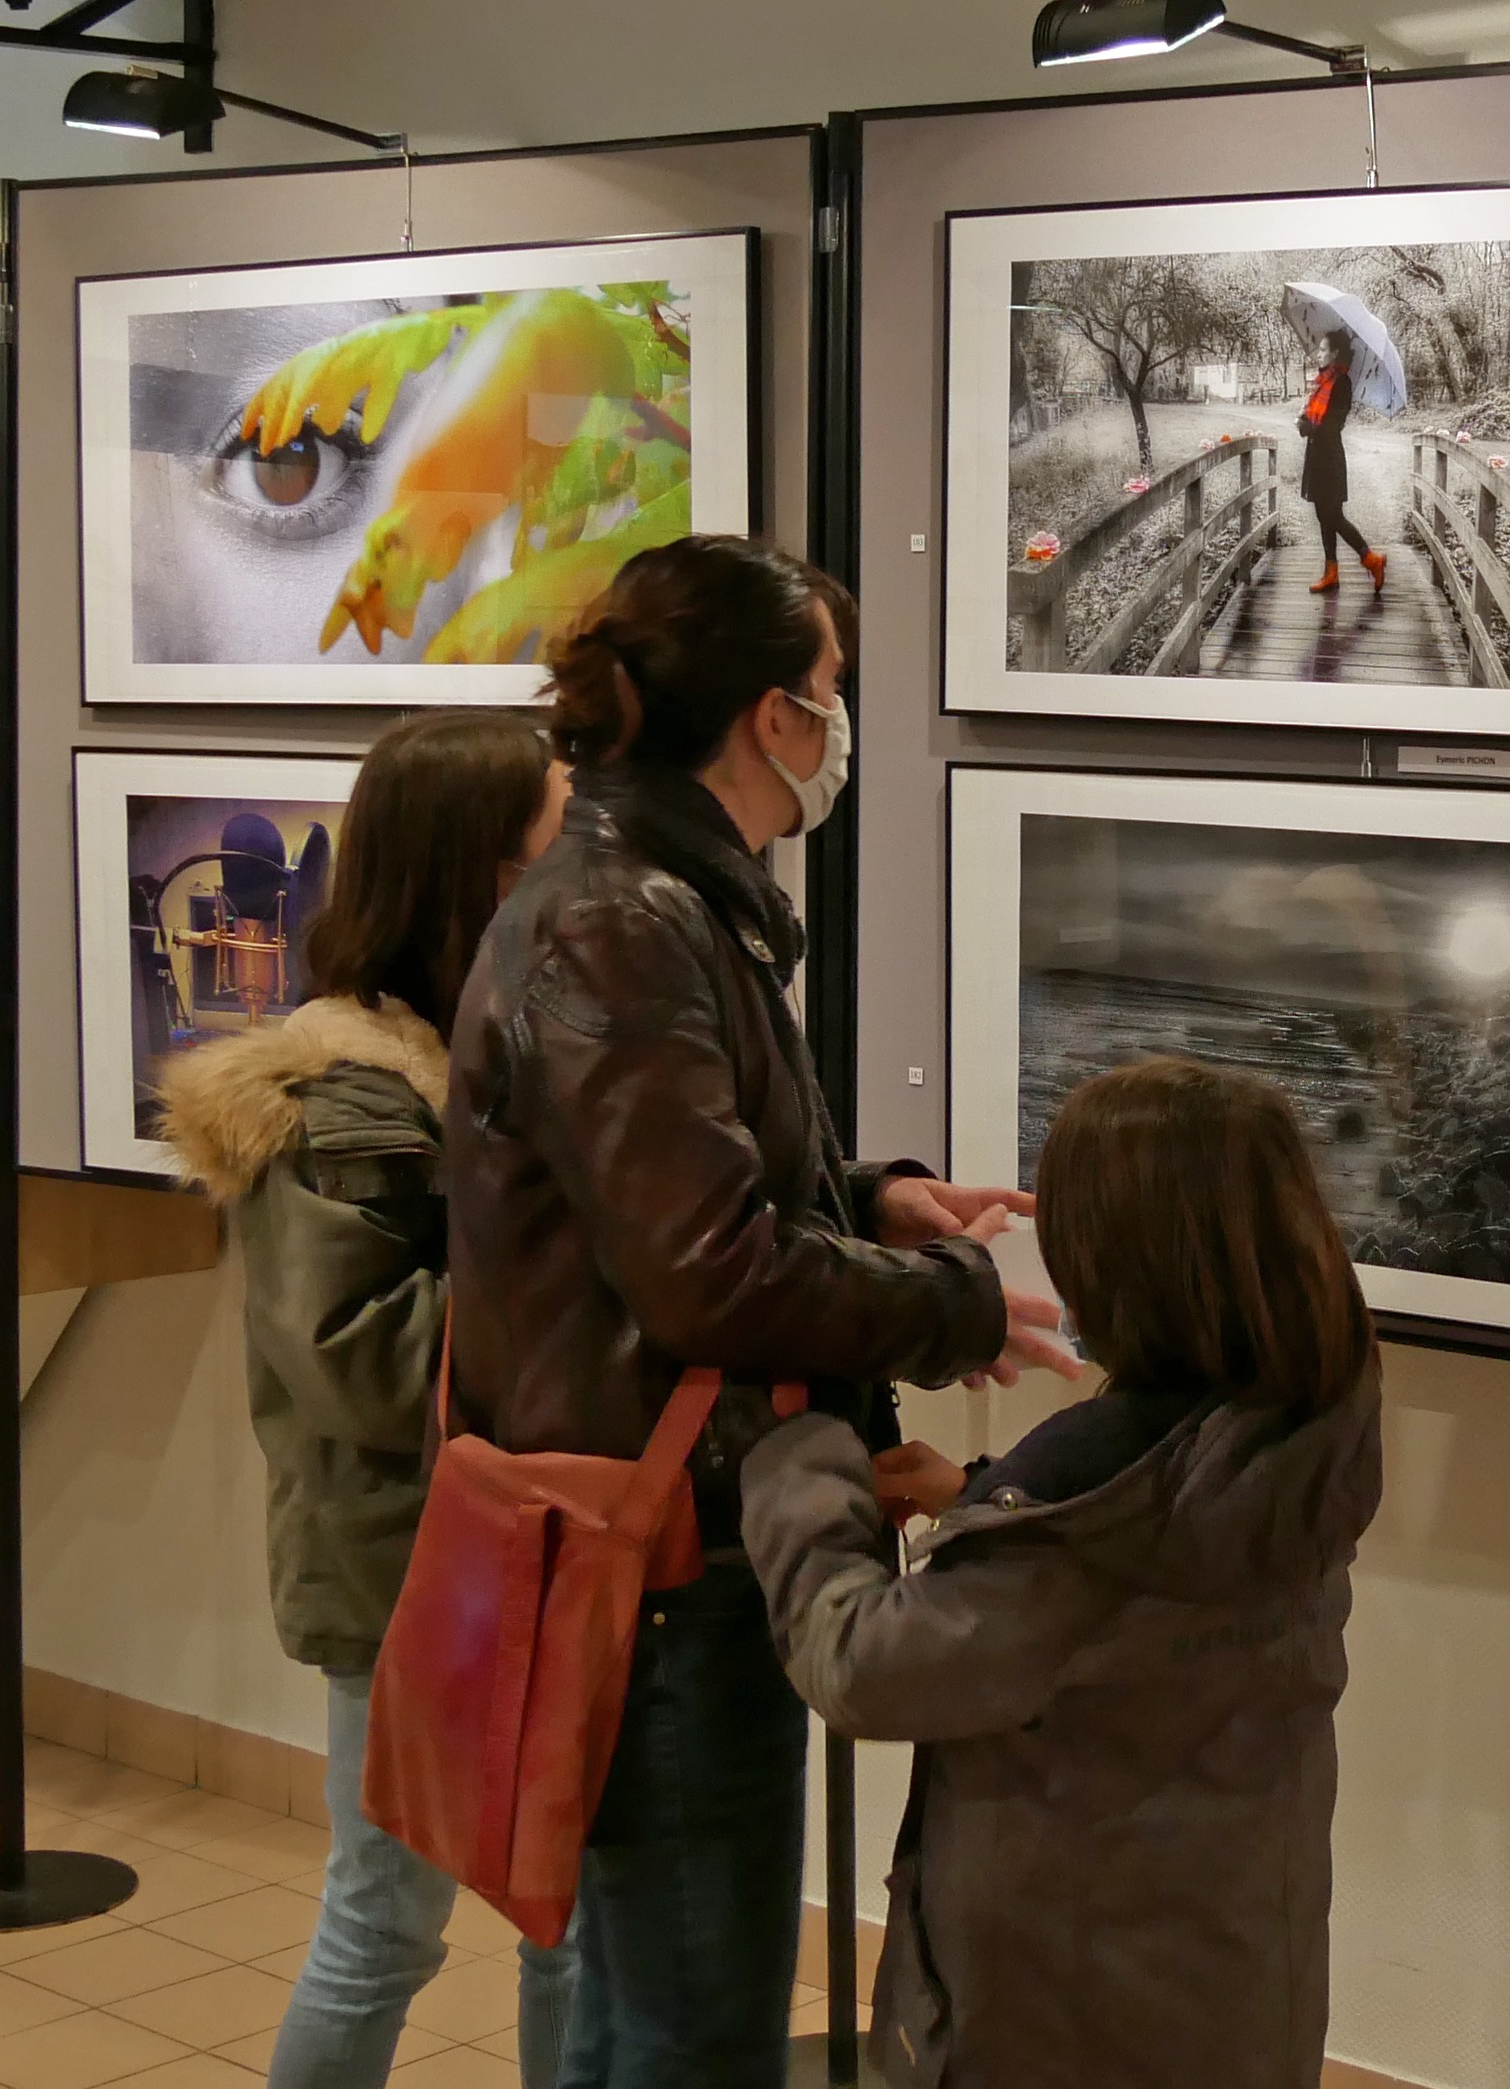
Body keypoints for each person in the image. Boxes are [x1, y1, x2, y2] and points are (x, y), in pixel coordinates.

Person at [440, 534, 1079, 2089]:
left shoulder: (654, 902)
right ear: (771, 716)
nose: (842, 725)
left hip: (675, 1528)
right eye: (834, 689)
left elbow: (660, 1189)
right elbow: (703, 1269)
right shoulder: (623, 922)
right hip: (666, 1553)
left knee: (641, 2015)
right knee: (689, 2027)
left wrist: (867, 1201)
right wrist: (952, 1304)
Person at [741, 1057, 1387, 2089]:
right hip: (1235, 1985)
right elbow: (1124, 1619)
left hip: (1056, 2017)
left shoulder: (1090, 1504)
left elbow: (860, 1664)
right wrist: (983, 1496)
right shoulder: (1304, 1425)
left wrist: (797, 1459)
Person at [158, 708, 576, 2089]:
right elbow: (363, 1359)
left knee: (566, 1919)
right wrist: (584, 1268)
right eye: (554, 842)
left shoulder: (492, 1050)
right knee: (386, 1922)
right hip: (411, 1565)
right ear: (477, 873)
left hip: (528, 1544)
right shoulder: (343, 1097)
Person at [1300, 335, 1385, 596]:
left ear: (1335, 352)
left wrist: (1306, 427)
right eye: (1319, 349)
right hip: (1316, 456)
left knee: (1332, 515)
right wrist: (1304, 418)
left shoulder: (1342, 384)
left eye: (1323, 349)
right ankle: (1331, 572)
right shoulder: (1322, 383)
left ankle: (1370, 559)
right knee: (1322, 515)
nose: (1318, 354)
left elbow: (1332, 426)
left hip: (1330, 458)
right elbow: (1315, 417)